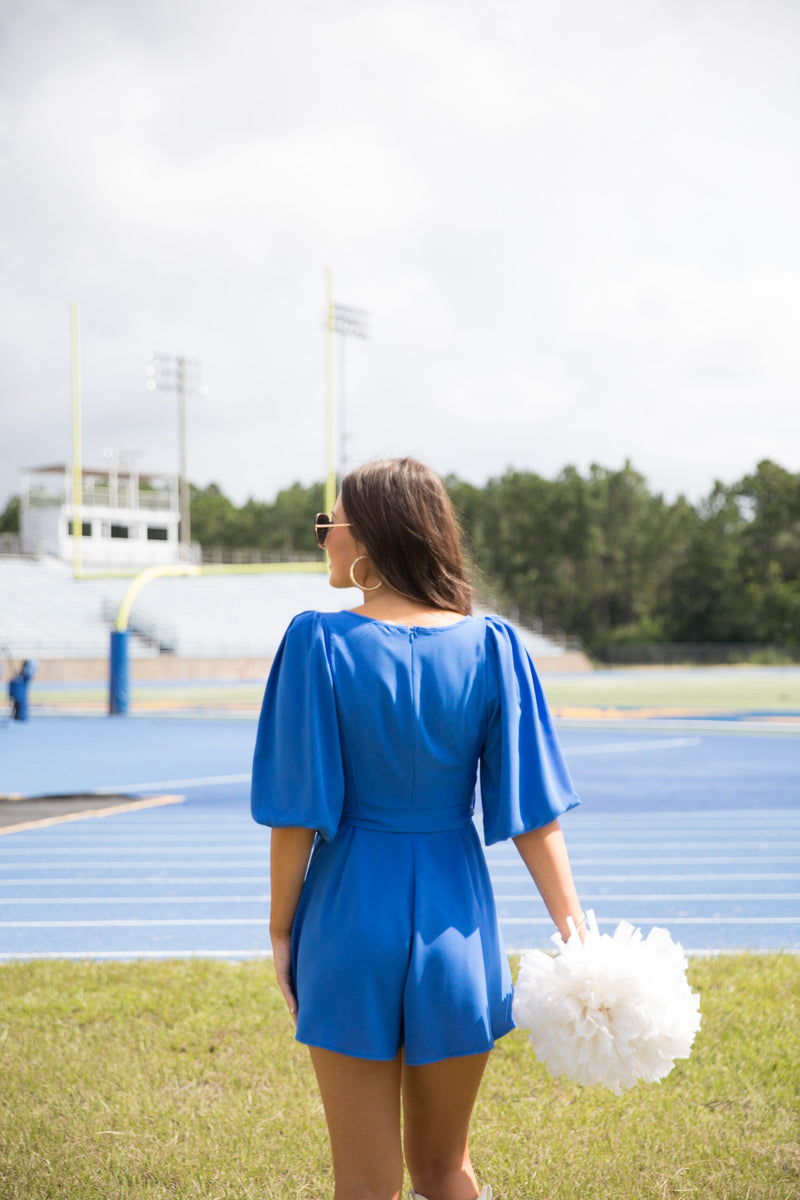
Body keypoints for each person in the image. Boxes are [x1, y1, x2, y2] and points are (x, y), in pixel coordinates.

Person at [251, 458, 584, 1200]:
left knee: (365, 1185)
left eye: (325, 524)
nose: (321, 540)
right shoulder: (494, 646)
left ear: (367, 534)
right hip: (458, 926)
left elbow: (297, 814)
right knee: (445, 1169)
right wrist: (575, 933)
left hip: (346, 918)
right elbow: (533, 814)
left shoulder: (316, 643)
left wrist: (280, 933)